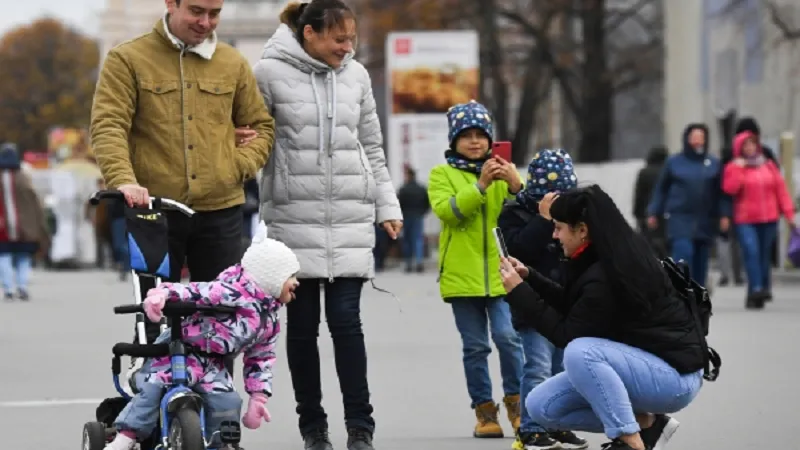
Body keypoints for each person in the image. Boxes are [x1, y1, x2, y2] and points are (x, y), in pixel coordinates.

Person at [251, 1, 403, 449]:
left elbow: (371, 146)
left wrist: (386, 206)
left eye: (351, 38)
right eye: (340, 39)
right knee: (301, 330)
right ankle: (313, 427)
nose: (348, 47)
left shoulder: (356, 77)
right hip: (292, 218)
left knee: (346, 322)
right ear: (311, 33)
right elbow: (255, 135)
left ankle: (361, 426)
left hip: (349, 217)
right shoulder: (267, 73)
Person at [90, 0, 276, 342]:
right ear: (171, 4)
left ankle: (214, 394)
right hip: (154, 212)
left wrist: (237, 166)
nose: (206, 22)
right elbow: (108, 125)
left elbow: (262, 127)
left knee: (221, 319)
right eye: (196, 11)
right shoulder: (128, 59)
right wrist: (124, 179)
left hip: (222, 210)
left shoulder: (232, 63)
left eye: (215, 13)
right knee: (155, 317)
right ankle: (155, 391)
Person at [499, 185, 707, 450]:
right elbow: (576, 306)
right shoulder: (602, 255)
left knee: (580, 352)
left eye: (559, 227)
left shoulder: (609, 272)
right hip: (644, 367)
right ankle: (647, 424)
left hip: (675, 377)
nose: (554, 235)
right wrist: (529, 277)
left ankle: (629, 440)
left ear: (582, 230)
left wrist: (518, 293)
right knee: (541, 406)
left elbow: (567, 334)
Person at [103, 224, 301, 450]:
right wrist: (163, 294)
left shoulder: (269, 321)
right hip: (180, 351)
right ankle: (126, 437)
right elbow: (195, 291)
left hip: (213, 364)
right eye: (291, 276)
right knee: (154, 386)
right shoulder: (230, 292)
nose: (297, 281)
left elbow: (261, 358)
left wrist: (258, 397)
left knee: (227, 401)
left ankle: (220, 443)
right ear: (271, 277)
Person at [428, 99, 525, 440]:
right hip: (461, 276)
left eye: (480, 135)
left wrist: (516, 185)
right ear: (453, 140)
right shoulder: (442, 175)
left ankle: (517, 403)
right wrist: (479, 186)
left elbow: (525, 214)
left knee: (509, 338)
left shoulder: (503, 170)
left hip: (502, 274)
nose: (474, 142)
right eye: (465, 135)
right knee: (475, 347)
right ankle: (485, 411)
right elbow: (448, 212)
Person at [498, 149, 587, 450]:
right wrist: (543, 220)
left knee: (564, 370)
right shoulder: (514, 213)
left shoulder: (574, 219)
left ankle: (557, 424)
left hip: (566, 304)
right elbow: (519, 250)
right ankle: (531, 429)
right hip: (532, 305)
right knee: (537, 366)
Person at [646, 124, 730, 287]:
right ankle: (679, 290)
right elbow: (661, 189)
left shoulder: (713, 164)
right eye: (694, 136)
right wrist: (654, 211)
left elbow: (722, 193)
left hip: (704, 219)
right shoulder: (674, 162)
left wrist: (725, 215)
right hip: (680, 218)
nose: (697, 140)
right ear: (687, 138)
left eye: (701, 137)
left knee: (701, 261)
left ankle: (697, 293)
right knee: (683, 254)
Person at [722, 131, 795, 309]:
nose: (749, 148)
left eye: (752, 144)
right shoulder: (734, 167)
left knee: (763, 256)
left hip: (769, 218)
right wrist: (739, 168)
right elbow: (730, 189)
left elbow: (781, 191)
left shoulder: (768, 165)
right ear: (740, 148)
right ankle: (756, 287)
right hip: (746, 219)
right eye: (745, 145)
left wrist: (789, 214)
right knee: (752, 252)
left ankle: (759, 291)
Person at [0, 143, 49, 301]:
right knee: (23, 257)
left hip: (2, 227)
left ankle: (8, 288)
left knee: (4, 257)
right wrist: (40, 226)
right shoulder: (24, 177)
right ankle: (22, 287)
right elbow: (35, 203)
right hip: (25, 227)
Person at [633, 146, 668, 258]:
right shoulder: (667, 172)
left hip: (647, 215)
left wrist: (638, 214)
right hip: (665, 215)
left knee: (649, 247)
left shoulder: (645, 172)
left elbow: (639, 195)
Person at [716, 146, 744, 287]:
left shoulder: (719, 170)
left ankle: (724, 275)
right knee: (737, 244)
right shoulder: (739, 169)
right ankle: (738, 275)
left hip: (722, 212)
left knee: (723, 242)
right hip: (740, 210)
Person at [397, 166, 430, 272]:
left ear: (408, 176)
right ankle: (419, 262)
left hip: (406, 217)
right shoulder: (421, 188)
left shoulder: (403, 189)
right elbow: (428, 203)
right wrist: (422, 213)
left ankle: (408, 264)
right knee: (418, 240)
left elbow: (398, 204)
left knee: (407, 240)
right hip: (417, 217)